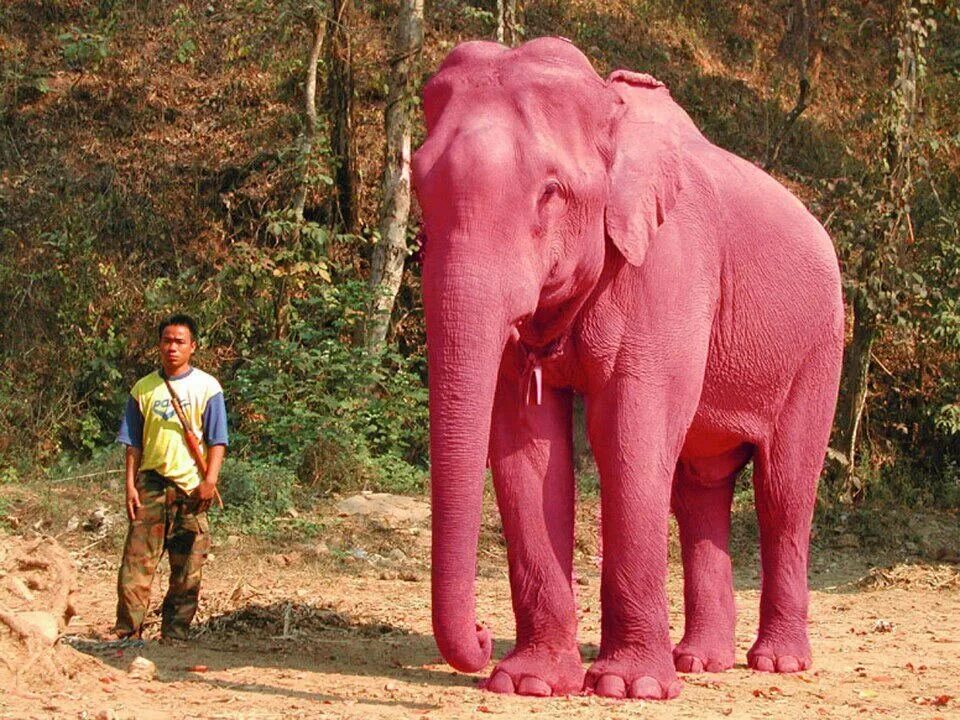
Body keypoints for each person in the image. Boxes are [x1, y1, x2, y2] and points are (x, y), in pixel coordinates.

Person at [114, 313, 228, 641]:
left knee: (188, 567)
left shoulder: (208, 387)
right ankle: (127, 634)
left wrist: (210, 481)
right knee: (136, 565)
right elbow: (133, 443)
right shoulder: (143, 389)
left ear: (193, 346)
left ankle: (175, 634)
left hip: (191, 488)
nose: (172, 348)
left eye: (180, 342)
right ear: (159, 344)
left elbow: (217, 439)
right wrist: (130, 487)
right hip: (150, 485)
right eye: (167, 341)